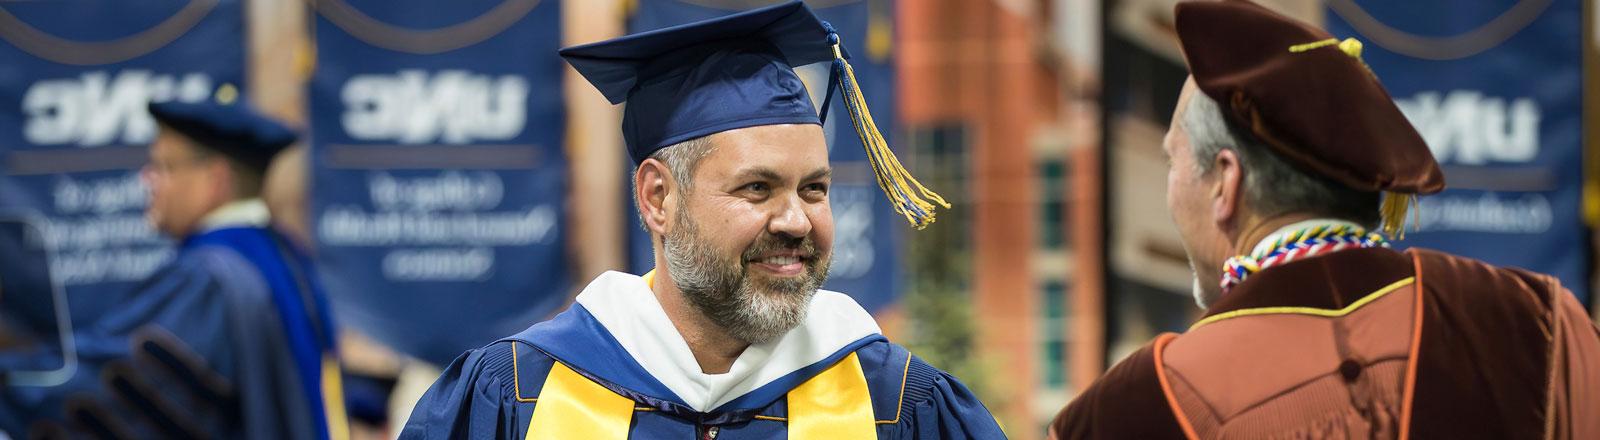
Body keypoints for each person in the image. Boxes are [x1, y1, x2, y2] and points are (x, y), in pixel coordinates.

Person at [400, 2, 1003, 438]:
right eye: (758, 188)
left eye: (815, 188)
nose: (795, 220)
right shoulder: (514, 398)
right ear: (658, 198)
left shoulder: (899, 407)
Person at [1050, 1, 1600, 439]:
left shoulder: (1129, 413)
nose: (1171, 185)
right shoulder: (1538, 325)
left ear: (1225, 181)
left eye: (1174, 160)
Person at [2, 95, 348, 440]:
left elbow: (114, 385)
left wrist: (15, 382)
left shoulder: (206, 278)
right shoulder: (286, 258)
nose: (146, 180)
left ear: (215, 179)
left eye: (163, 166)